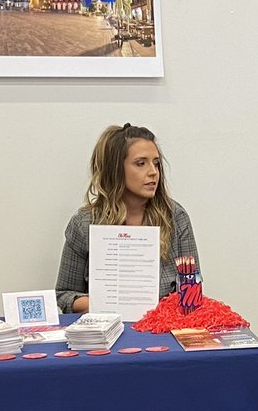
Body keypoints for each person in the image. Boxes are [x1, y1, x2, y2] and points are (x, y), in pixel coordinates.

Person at [55, 123, 198, 313]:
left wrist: (165, 309)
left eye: (156, 163)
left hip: (163, 329)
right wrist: (110, 305)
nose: (153, 172)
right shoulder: (85, 223)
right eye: (141, 163)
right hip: (105, 331)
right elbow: (64, 295)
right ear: (115, 169)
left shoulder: (175, 217)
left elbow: (193, 291)